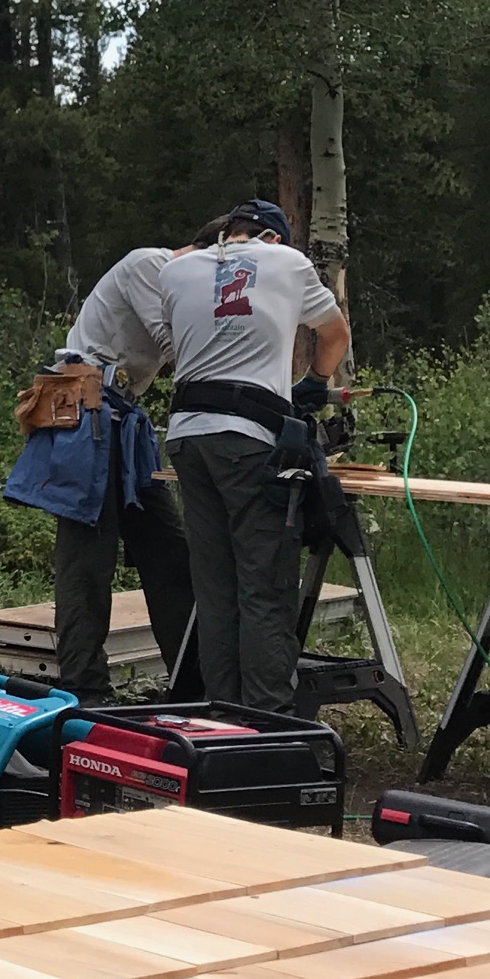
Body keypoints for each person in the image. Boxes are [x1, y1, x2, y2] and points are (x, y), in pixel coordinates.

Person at [159, 199, 349, 712]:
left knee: (216, 589)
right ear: (274, 239)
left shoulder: (178, 270)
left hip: (187, 437)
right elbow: (335, 333)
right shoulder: (288, 262)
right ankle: (268, 723)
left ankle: (223, 718)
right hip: (248, 439)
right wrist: (314, 381)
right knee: (263, 587)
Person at [7, 245, 200, 705]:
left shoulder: (174, 278)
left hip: (122, 417)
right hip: (90, 414)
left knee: (169, 553)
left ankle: (194, 686)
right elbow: (174, 341)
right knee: (87, 562)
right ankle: (83, 688)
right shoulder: (149, 265)